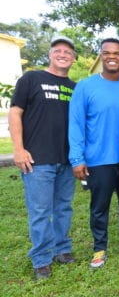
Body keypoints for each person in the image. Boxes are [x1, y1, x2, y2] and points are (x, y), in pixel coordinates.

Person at [9, 36, 78, 280]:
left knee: (63, 208)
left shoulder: (73, 87)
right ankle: (41, 259)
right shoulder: (31, 79)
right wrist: (19, 149)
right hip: (37, 160)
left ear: (74, 58)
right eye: (58, 50)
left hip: (66, 160)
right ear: (50, 54)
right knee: (40, 211)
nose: (63, 54)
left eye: (68, 52)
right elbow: (15, 113)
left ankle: (63, 249)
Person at [68, 38, 119, 269]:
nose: (112, 57)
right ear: (101, 56)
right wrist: (77, 158)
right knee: (100, 206)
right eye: (107, 52)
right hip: (99, 159)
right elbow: (76, 124)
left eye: (117, 53)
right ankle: (99, 247)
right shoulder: (85, 86)